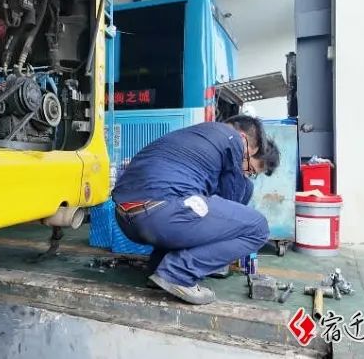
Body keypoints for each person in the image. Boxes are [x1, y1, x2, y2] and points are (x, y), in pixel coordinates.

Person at [111, 115, 280, 305]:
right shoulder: (232, 139)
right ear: (243, 138)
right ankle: (178, 273)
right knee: (258, 228)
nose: (246, 173)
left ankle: (159, 268)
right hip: (160, 215)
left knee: (193, 204)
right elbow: (228, 207)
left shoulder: (196, 136)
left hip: (126, 218)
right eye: (249, 167)